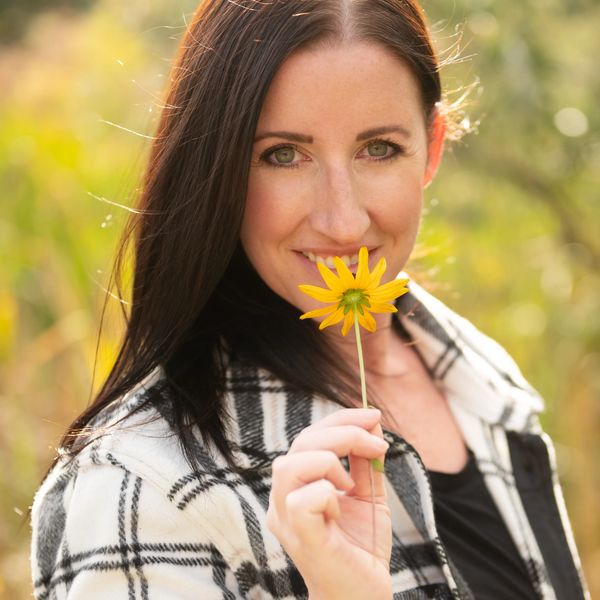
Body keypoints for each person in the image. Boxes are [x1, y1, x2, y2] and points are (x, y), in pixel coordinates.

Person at [30, 1, 589, 598]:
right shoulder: (143, 483)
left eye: (379, 148)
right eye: (283, 155)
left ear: (432, 147)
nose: (343, 221)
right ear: (220, 171)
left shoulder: (482, 379)